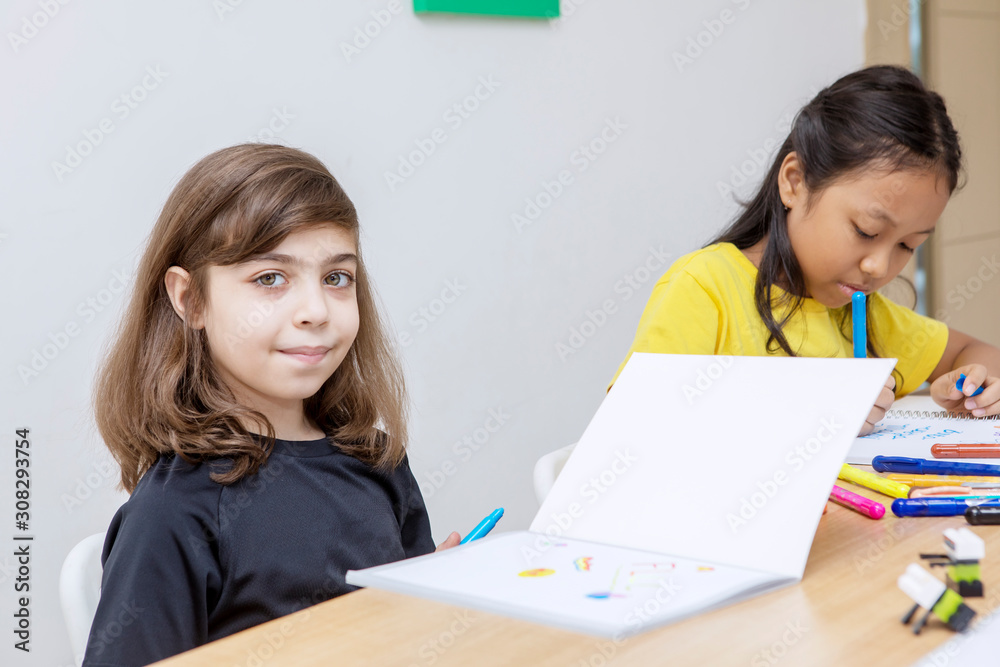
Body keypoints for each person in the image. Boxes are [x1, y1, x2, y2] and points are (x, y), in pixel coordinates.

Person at [82, 144, 460, 667]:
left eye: (336, 278)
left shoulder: (377, 463)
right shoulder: (174, 515)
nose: (315, 309)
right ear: (190, 300)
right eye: (269, 279)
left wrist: (437, 602)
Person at [609, 65, 1000, 433]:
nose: (879, 266)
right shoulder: (705, 288)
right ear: (795, 182)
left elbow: (974, 350)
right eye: (866, 231)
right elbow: (634, 424)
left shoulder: (863, 315)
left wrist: (972, 387)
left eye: (906, 245)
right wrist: (810, 410)